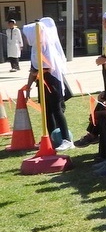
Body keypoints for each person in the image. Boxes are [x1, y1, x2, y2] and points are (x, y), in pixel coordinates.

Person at [22, 17, 74, 151]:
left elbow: (49, 67)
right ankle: (52, 138)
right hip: (42, 82)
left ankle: (66, 139)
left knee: (57, 110)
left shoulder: (46, 46)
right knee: (47, 111)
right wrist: (28, 86)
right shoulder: (35, 47)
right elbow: (33, 68)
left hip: (52, 82)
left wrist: (36, 72)